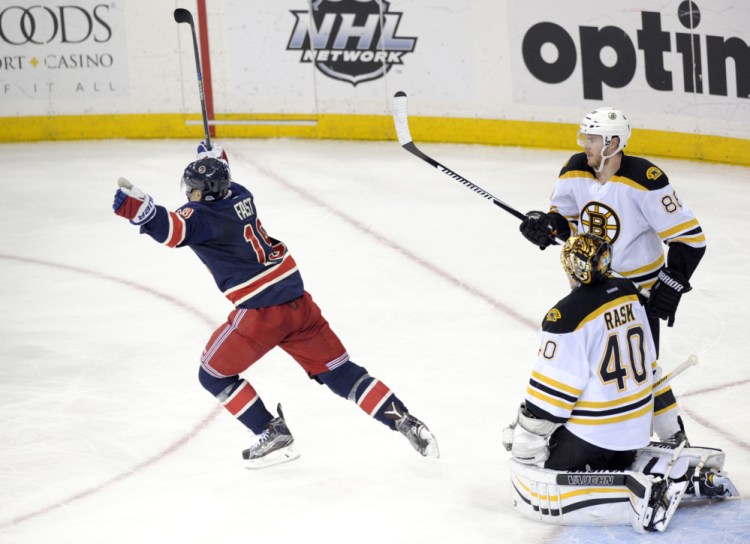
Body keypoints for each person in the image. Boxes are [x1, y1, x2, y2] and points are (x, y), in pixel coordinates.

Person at [112, 143, 438, 468]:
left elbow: (171, 230)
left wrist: (140, 210)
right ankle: (404, 420)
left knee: (213, 374)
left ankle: (272, 433)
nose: (190, 195)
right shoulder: (241, 195)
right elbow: (217, 187)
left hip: (261, 314)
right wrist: (212, 162)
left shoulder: (199, 217)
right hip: (299, 304)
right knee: (342, 373)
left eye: (192, 189)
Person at [518, 107, 706, 445]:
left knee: (642, 368)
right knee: (596, 367)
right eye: (585, 137)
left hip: (637, 295)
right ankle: (591, 432)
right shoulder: (575, 169)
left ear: (613, 143)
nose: (584, 144)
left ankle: (673, 439)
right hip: (589, 287)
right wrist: (546, 226)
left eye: (592, 139)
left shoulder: (645, 180)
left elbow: (690, 240)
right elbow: (564, 217)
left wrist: (672, 281)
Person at [505, 233, 657, 472]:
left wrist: (524, 436)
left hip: (593, 439)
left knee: (534, 463)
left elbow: (550, 400)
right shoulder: (630, 293)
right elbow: (650, 363)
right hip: (633, 437)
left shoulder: (565, 317)